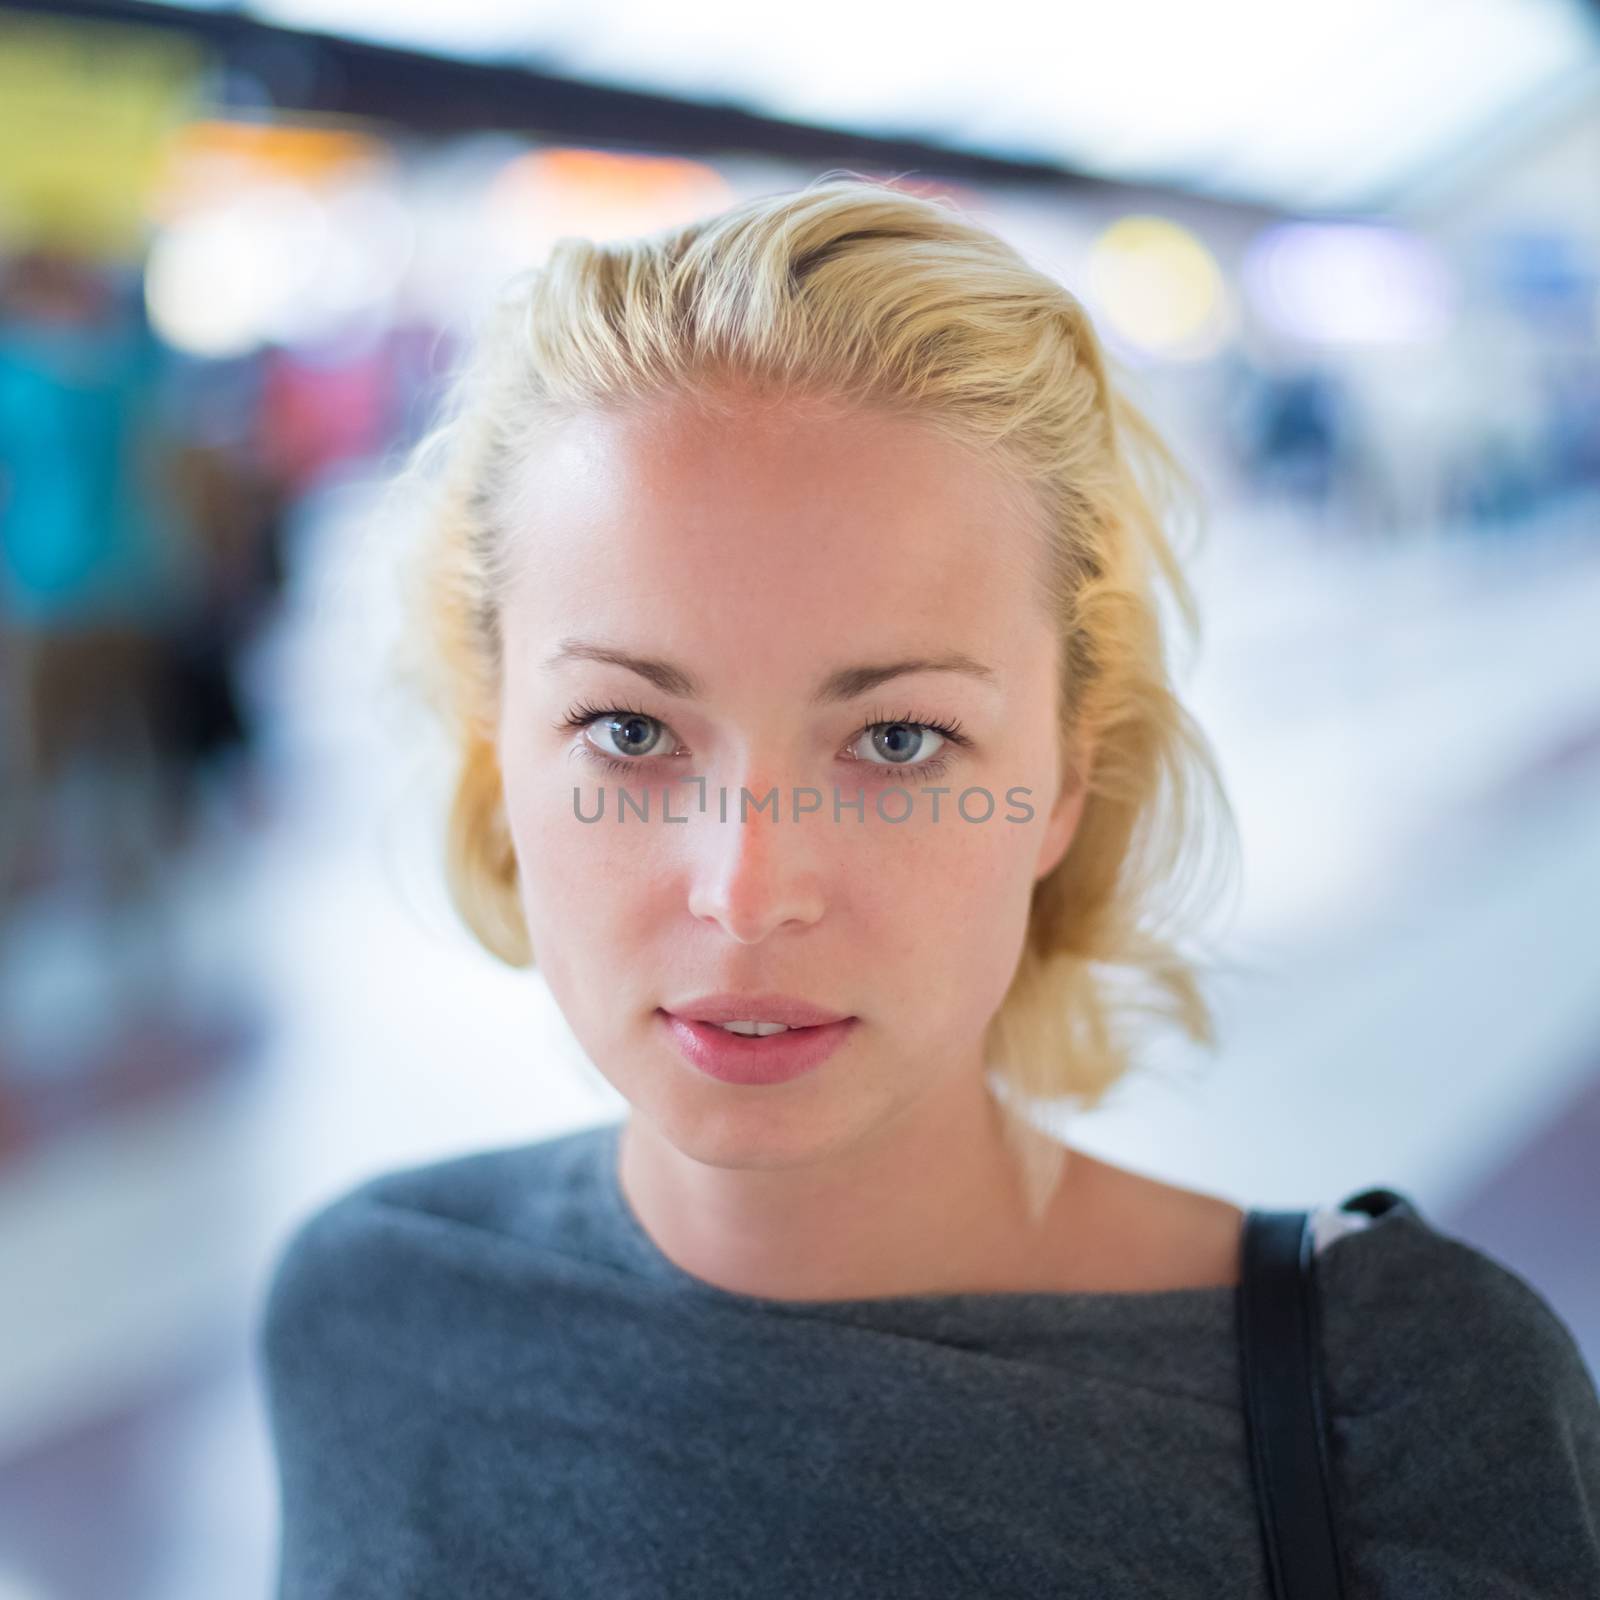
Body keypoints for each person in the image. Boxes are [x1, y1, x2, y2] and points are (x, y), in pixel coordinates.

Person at [257, 176, 1600, 1597]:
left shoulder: (1391, 1410)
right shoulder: (371, 1313)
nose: (749, 891)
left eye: (899, 739)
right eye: (631, 732)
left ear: (1067, 780)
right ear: (497, 758)